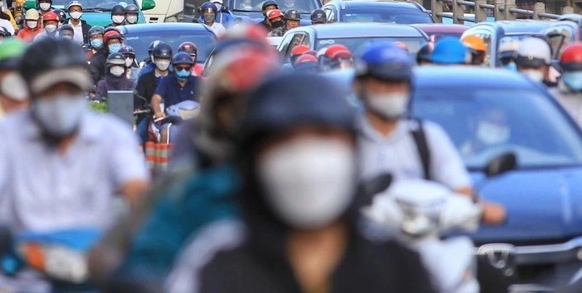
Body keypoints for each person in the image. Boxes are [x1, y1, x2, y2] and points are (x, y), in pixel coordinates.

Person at [165, 70, 436, 293]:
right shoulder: (216, 264)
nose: (307, 160)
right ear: (252, 160)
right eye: (284, 142)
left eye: (323, 136)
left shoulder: (396, 264)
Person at [91, 37, 281, 286]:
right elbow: (135, 254)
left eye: (259, 106)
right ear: (216, 111)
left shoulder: (299, 188)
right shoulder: (186, 186)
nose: (248, 120)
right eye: (236, 108)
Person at [0, 37, 149, 234]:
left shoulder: (113, 135)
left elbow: (138, 191)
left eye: (70, 90)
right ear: (31, 90)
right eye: (50, 90)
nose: (61, 99)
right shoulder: (0, 136)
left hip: (95, 258)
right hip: (20, 257)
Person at [352, 42, 505, 224]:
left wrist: (480, 207)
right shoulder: (343, 138)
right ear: (359, 86)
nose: (393, 91)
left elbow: (458, 184)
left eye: (399, 84)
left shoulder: (427, 136)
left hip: (420, 236)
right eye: (383, 83)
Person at [152, 52, 198, 123]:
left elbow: (207, 98)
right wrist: (158, 112)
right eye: (180, 68)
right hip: (171, 121)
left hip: (194, 122)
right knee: (164, 132)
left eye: (187, 68)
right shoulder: (166, 81)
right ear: (174, 68)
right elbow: (156, 98)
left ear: (191, 69)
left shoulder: (198, 81)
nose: (183, 70)